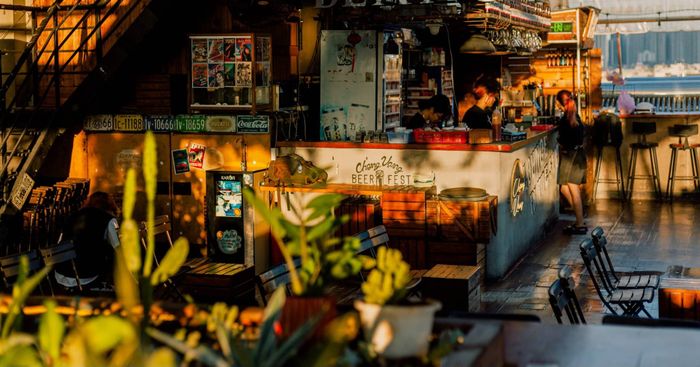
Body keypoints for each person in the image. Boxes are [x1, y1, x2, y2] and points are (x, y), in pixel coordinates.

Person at [55, 192, 121, 289]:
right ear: (110, 205)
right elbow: (118, 248)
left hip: (61, 274)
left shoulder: (72, 216)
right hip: (87, 275)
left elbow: (59, 244)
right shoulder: (109, 220)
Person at [556, 90, 587, 234]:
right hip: (578, 154)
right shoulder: (576, 116)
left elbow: (563, 140)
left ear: (559, 103)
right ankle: (579, 217)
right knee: (564, 188)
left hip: (571, 155)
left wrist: (559, 142)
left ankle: (580, 223)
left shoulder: (564, 120)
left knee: (572, 188)